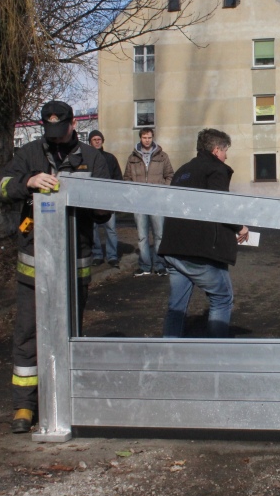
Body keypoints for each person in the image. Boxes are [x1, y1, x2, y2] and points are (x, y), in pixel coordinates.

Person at [0, 101, 110, 434]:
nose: (56, 137)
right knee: (28, 335)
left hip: (75, 263)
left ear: (73, 125)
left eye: (61, 130)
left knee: (70, 334)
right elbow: (0, 186)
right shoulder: (29, 154)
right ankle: (24, 406)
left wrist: (89, 198)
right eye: (50, 130)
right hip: (34, 267)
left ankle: (67, 401)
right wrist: (27, 182)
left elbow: (106, 210)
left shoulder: (92, 157)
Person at [156, 128, 249, 338]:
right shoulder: (216, 169)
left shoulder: (182, 171)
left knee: (176, 307)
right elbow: (219, 205)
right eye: (226, 151)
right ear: (217, 150)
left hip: (173, 248)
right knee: (222, 298)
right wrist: (240, 226)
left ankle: (169, 352)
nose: (227, 156)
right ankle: (215, 354)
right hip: (199, 251)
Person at [123, 128, 174, 276]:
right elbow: (126, 178)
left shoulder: (162, 156)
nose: (147, 140)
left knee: (159, 235)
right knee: (142, 236)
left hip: (157, 201)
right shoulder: (132, 157)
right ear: (140, 138)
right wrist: (133, 194)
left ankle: (159, 265)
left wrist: (162, 190)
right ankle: (145, 266)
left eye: (149, 137)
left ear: (153, 138)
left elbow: (170, 175)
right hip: (139, 202)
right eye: (144, 137)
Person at [87, 130, 123, 267]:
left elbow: (118, 178)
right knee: (93, 229)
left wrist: (116, 196)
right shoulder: (86, 158)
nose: (97, 141)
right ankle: (97, 255)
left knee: (111, 228)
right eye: (94, 139)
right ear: (90, 141)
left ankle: (112, 256)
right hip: (91, 200)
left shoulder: (110, 158)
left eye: (99, 139)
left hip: (108, 199)